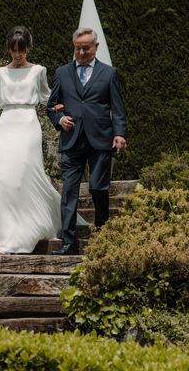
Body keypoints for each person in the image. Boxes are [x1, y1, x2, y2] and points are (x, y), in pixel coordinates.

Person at [0, 26, 61, 255]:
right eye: (14, 50)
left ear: (28, 48)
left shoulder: (38, 71)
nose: (17, 54)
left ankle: (27, 231)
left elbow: (49, 99)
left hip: (28, 126)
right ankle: (6, 236)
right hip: (6, 127)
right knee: (6, 179)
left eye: (21, 50)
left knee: (24, 175)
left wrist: (66, 109)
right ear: (8, 49)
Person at [47, 27, 127, 255]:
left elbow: (118, 109)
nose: (81, 52)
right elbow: (51, 106)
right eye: (77, 48)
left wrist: (119, 134)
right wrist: (59, 118)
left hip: (101, 140)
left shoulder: (109, 73)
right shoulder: (62, 73)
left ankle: (103, 235)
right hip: (71, 142)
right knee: (69, 191)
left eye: (86, 48)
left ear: (96, 48)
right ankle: (69, 244)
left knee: (98, 188)